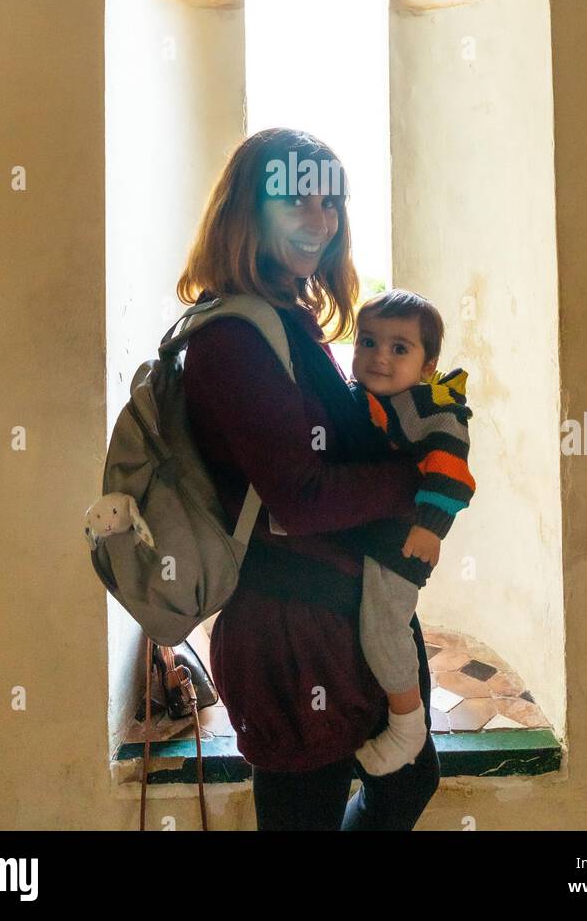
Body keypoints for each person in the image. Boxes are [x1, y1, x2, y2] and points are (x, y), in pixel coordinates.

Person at [177, 126, 441, 830]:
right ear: (248, 211)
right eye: (296, 199)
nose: (319, 221)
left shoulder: (285, 320)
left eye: (331, 203)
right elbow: (302, 495)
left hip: (336, 612)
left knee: (408, 782)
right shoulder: (232, 340)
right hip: (291, 631)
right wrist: (415, 480)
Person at [345, 290, 475, 776]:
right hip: (376, 539)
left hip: (402, 543)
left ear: (428, 365)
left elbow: (453, 471)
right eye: (369, 341)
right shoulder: (367, 398)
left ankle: (408, 725)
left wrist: (430, 527)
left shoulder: (431, 408)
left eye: (400, 348)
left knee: (381, 628)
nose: (380, 355)